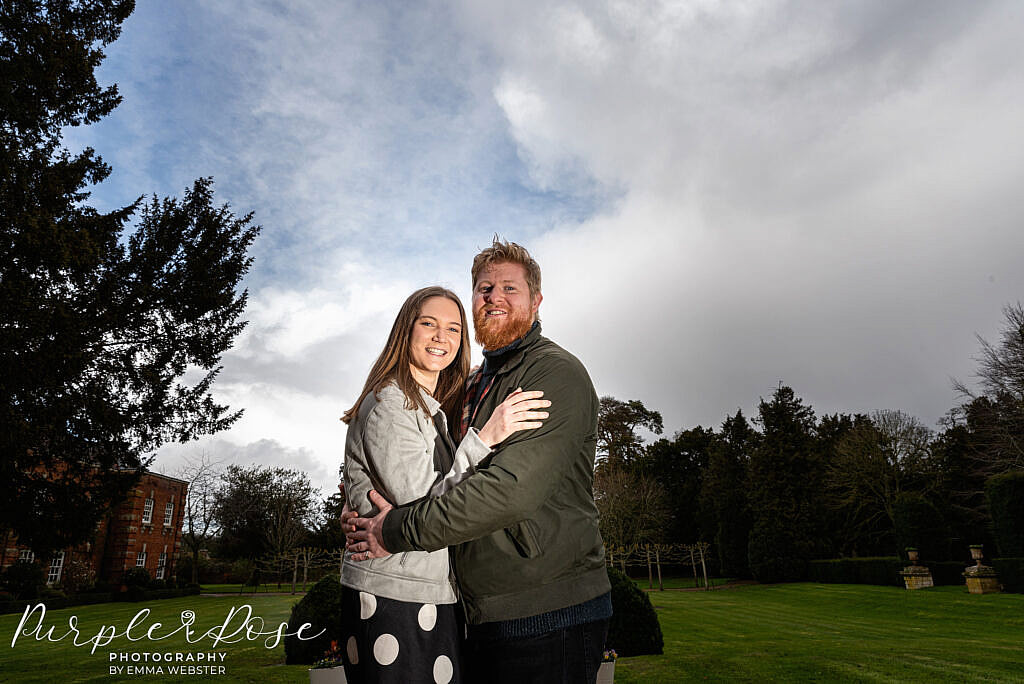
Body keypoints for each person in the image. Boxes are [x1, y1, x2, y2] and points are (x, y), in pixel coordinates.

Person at [346, 240, 612, 684]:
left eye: (510, 288)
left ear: (536, 301)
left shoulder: (553, 373)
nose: (495, 297)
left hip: (547, 610)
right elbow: (418, 467)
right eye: (485, 288)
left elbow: (508, 491)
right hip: (476, 610)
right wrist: (360, 503)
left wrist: (391, 530)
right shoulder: (471, 384)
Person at [339, 285, 551, 684]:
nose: (442, 337)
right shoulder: (391, 402)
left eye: (454, 329)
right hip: (393, 594)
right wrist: (485, 438)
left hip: (426, 590)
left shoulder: (428, 405)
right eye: (429, 324)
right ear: (406, 330)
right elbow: (425, 508)